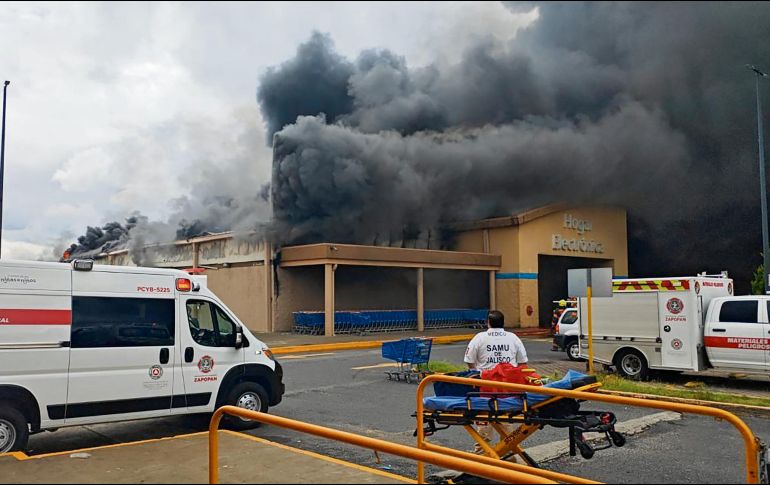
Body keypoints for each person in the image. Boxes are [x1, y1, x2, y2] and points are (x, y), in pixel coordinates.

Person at [463, 310, 528, 457]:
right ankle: (509, 460)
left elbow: (469, 362)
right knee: (507, 429)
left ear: (488, 322)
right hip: (507, 390)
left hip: (485, 389)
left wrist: (480, 373)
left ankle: (481, 463)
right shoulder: (513, 338)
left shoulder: (479, 338)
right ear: (503, 322)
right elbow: (523, 364)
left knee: (484, 429)